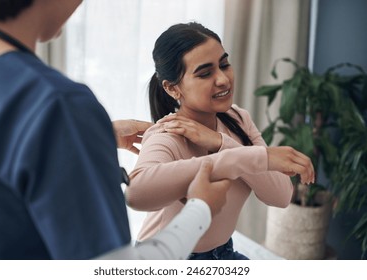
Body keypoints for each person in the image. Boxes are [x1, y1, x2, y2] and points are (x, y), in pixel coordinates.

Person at [0, 1, 232, 260]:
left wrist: (82, 139)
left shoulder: (40, 106)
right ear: (171, 88)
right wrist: (200, 209)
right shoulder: (57, 104)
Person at [125, 22, 315, 260]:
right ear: (173, 89)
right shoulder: (168, 133)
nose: (223, 79)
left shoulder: (237, 119)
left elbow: (280, 196)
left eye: (224, 64)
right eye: (205, 73)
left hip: (223, 253)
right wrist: (241, 158)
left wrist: (220, 142)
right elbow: (135, 193)